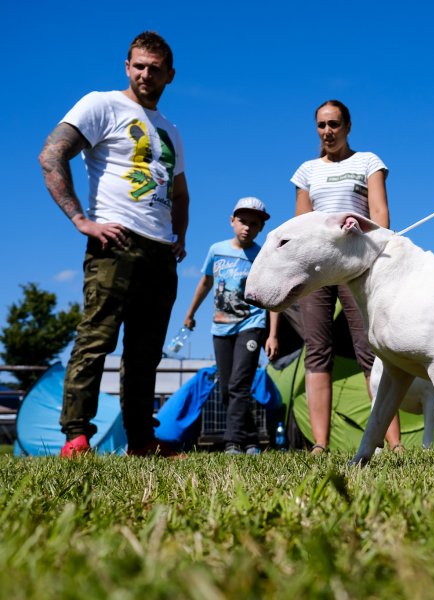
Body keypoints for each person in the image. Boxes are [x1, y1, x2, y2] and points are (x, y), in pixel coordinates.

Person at [39, 31, 190, 457]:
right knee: (96, 340)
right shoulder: (101, 104)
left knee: (144, 355)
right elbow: (52, 154)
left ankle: (141, 441)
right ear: (127, 67)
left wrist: (180, 237)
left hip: (160, 254)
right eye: (138, 65)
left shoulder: (171, 130)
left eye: (154, 68)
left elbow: (180, 192)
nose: (145, 74)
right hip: (115, 244)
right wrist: (80, 221)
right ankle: (76, 436)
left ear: (169, 75)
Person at [286, 99, 402, 454]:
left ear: (348, 126)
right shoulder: (306, 171)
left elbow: (380, 215)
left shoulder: (368, 162)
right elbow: (303, 224)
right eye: (321, 125)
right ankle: (320, 444)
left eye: (334, 124)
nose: (327, 132)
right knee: (318, 351)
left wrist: (372, 249)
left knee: (371, 348)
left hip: (357, 265)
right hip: (319, 270)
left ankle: (393, 443)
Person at [183, 198, 280, 455]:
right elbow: (205, 282)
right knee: (227, 387)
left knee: (239, 383)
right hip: (221, 327)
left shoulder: (261, 255)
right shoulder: (217, 250)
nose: (247, 227)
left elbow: (272, 297)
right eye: (242, 221)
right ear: (232, 221)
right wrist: (190, 313)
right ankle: (250, 439)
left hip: (252, 324)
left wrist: (272, 334)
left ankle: (233, 442)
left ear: (260, 228)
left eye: (254, 224)